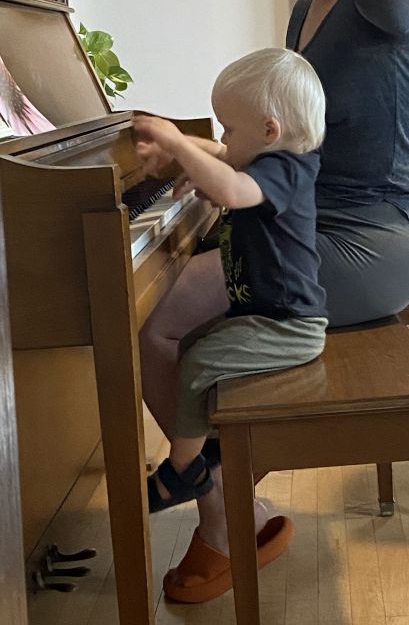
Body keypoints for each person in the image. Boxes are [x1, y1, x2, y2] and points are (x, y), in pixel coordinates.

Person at [137, 0, 409, 600]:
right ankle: (235, 505)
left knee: (170, 318)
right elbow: (287, 152)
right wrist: (192, 164)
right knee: (171, 316)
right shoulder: (306, 12)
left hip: (382, 235)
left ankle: (220, 520)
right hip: (313, 222)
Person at [133, 46, 328, 601]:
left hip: (287, 323)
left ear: (270, 129)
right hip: (264, 312)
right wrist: (189, 151)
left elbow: (234, 188)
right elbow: (223, 156)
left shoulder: (286, 168)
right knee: (193, 347)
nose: (223, 135)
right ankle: (211, 470)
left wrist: (178, 145)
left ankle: (187, 466)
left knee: (198, 360)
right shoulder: (270, 151)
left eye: (230, 125)